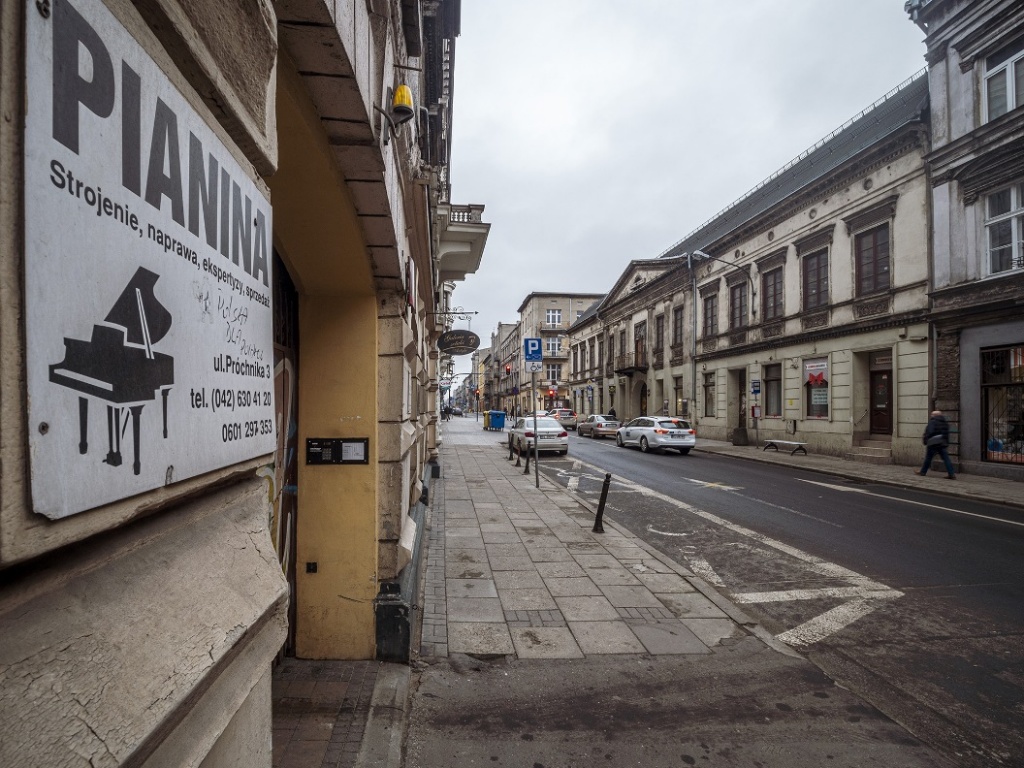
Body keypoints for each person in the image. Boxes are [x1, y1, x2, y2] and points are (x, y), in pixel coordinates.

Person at [916, 410, 956, 479]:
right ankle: (951, 473)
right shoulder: (945, 423)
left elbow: (929, 432)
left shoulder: (933, 422)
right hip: (942, 443)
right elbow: (946, 434)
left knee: (928, 458)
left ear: (935, 415)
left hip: (933, 443)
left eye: (932, 415)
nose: (931, 416)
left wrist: (925, 439)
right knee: (946, 459)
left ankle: (923, 472)